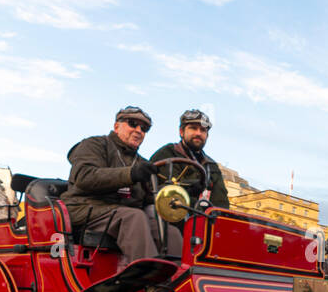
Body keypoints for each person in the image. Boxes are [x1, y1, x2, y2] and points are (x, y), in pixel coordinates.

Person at [60, 105, 160, 262]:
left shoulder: (142, 162)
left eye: (145, 128)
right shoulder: (94, 144)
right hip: (84, 207)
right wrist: (131, 174)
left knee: (165, 229)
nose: (139, 130)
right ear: (116, 126)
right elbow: (85, 177)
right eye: (133, 123)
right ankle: (145, 277)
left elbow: (148, 199)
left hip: (118, 213)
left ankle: (180, 278)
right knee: (133, 217)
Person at [149, 109, 229, 209]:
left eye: (203, 130)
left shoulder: (211, 166)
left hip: (203, 219)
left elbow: (221, 203)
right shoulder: (167, 154)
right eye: (193, 128)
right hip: (170, 214)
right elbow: (166, 192)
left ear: (207, 135)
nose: (198, 133)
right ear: (181, 132)